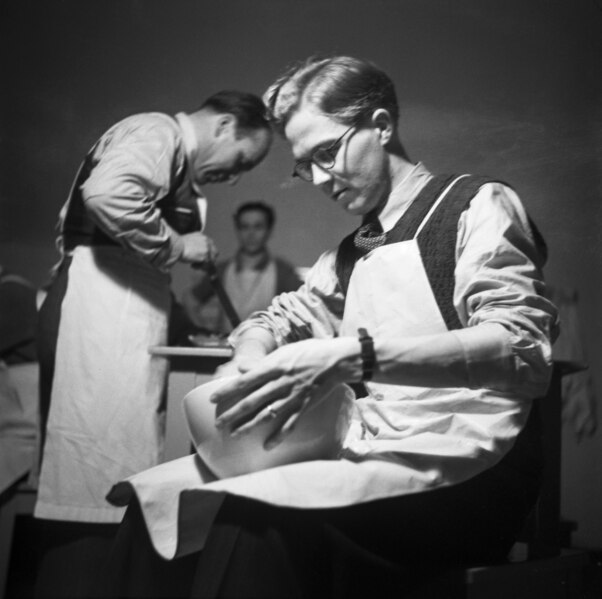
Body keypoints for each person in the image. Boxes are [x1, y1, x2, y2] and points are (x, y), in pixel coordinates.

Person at [104, 56, 558, 598]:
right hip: (378, 449)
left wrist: (354, 357)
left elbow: (523, 350)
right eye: (304, 165)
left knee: (257, 513)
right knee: (159, 499)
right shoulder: (353, 252)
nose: (319, 179)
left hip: (474, 467)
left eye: (327, 152)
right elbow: (276, 316)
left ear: (382, 125)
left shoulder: (472, 206)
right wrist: (248, 353)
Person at [33, 90, 272, 597]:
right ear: (225, 126)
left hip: (116, 320)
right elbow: (109, 193)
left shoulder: (174, 161)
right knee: (88, 477)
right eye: (241, 161)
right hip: (94, 318)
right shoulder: (156, 131)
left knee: (110, 472)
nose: (233, 177)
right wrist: (178, 244)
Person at [181, 201, 303, 334]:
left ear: (269, 230)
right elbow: (190, 299)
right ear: (237, 230)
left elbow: (304, 306)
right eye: (245, 227)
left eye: (258, 227)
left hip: (267, 350)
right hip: (229, 350)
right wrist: (206, 334)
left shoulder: (282, 271)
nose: (251, 234)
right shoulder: (223, 269)